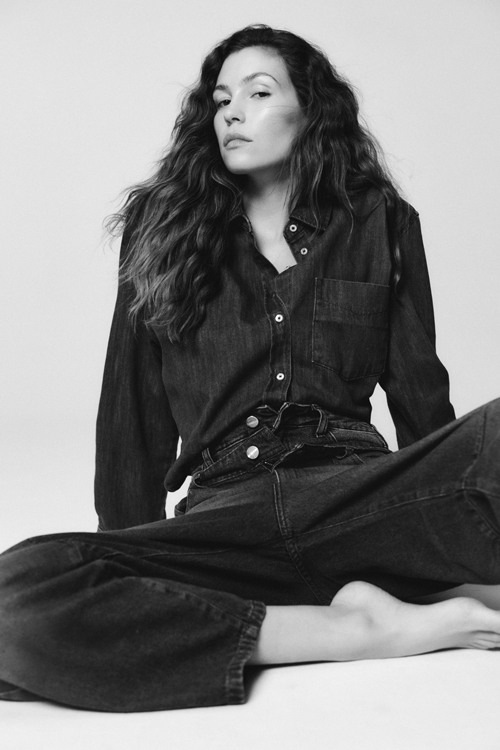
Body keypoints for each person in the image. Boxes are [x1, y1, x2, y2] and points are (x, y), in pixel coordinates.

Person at [1, 24, 500, 713]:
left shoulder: (378, 218)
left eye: (259, 93)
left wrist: (443, 511)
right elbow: (132, 414)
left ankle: (402, 585)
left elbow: (421, 391)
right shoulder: (162, 227)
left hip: (354, 498)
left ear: (310, 109)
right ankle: (350, 628)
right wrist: (137, 562)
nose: (232, 112)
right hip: (225, 522)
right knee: (18, 591)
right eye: (221, 99)